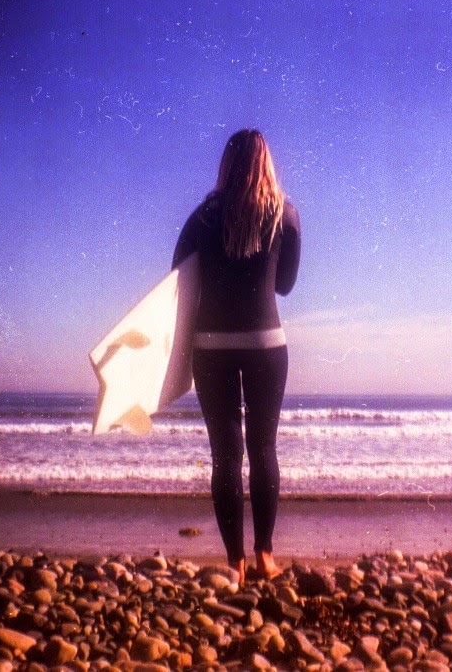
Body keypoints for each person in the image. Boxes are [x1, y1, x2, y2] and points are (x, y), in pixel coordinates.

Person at [172, 129, 300, 583]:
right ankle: (265, 556)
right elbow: (285, 285)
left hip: (211, 347)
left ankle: (235, 564)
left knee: (225, 455)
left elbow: (178, 277)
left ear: (226, 164)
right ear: (267, 161)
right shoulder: (285, 214)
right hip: (266, 343)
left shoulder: (203, 215)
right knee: (263, 448)